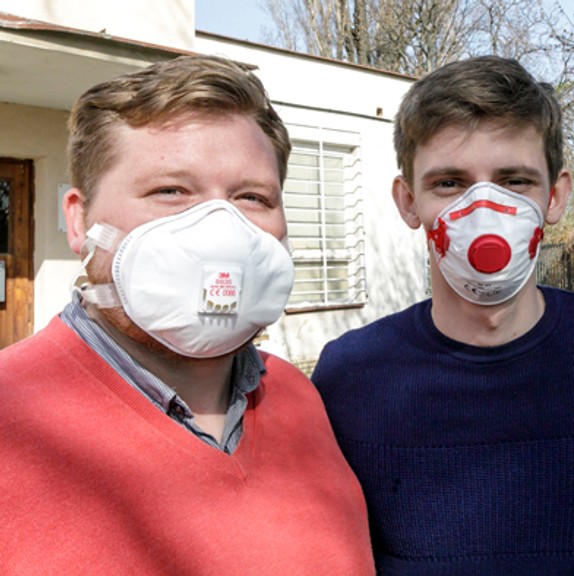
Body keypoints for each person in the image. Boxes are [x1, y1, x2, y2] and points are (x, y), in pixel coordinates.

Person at [0, 55, 374, 574]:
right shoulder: (14, 420)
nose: (220, 231)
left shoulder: (296, 399)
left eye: (252, 197)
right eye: (171, 191)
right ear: (79, 220)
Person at [312, 55, 574, 575]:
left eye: (514, 181)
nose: (483, 210)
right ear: (408, 202)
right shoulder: (350, 376)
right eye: (449, 183)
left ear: (555, 196)